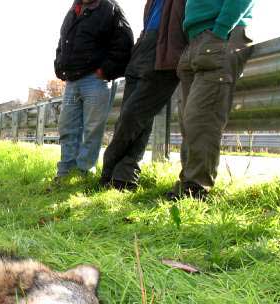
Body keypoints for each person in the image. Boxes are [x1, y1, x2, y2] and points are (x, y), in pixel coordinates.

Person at [166, 0, 254, 200]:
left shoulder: (219, 31)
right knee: (188, 120)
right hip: (197, 39)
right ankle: (188, 181)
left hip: (219, 34)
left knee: (201, 118)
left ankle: (196, 187)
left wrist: (220, 31)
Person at [99, 0, 187, 191]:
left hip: (166, 54)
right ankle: (123, 178)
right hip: (142, 51)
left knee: (133, 116)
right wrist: (138, 47)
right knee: (134, 119)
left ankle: (109, 169)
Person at [53, 0, 133, 182]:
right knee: (67, 127)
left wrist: (105, 70)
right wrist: (59, 66)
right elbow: (62, 42)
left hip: (95, 80)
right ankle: (65, 173)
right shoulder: (72, 11)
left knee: (92, 129)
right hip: (72, 80)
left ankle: (84, 173)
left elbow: (125, 42)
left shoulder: (110, 8)